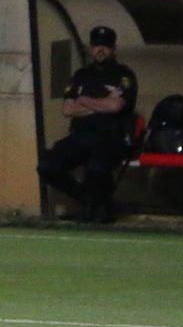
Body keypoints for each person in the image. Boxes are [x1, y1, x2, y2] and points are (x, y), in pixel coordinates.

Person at [37, 24, 136, 223]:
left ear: (113, 49)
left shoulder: (123, 75)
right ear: (91, 48)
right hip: (81, 136)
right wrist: (102, 102)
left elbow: (116, 107)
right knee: (47, 165)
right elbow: (67, 109)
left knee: (97, 169)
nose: (100, 49)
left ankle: (97, 209)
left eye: (105, 46)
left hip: (110, 137)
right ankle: (86, 198)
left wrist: (83, 100)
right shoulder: (81, 75)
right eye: (96, 45)